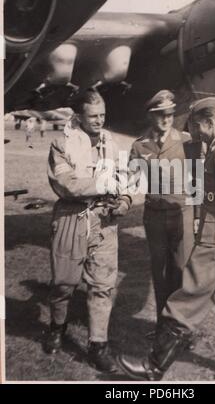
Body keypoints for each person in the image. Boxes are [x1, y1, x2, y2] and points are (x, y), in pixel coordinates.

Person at [118, 96, 215, 381]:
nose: (195, 131)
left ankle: (153, 367)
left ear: (210, 122)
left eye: (198, 125)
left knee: (185, 299)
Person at [45, 89, 131, 373]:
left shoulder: (113, 142)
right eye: (93, 116)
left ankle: (98, 345)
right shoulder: (62, 144)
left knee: (103, 286)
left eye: (103, 115)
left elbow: (124, 176)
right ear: (79, 116)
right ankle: (57, 327)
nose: (99, 120)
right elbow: (65, 184)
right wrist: (103, 187)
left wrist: (125, 200)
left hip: (105, 222)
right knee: (63, 283)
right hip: (72, 218)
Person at [129, 90, 195, 324]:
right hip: (154, 216)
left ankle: (181, 328)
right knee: (160, 272)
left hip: (182, 213)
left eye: (169, 114)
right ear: (151, 116)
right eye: (160, 115)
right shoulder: (139, 146)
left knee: (182, 270)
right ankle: (163, 325)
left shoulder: (187, 141)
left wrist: (197, 215)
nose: (166, 119)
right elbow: (130, 180)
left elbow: (199, 180)